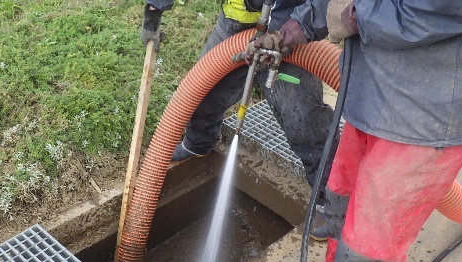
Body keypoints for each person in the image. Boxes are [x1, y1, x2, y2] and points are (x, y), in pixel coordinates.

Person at [284, 1, 462, 262]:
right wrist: (298, 24)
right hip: (373, 98)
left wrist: (356, 14)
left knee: (373, 236)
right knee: (342, 197)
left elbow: (428, 12)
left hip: (426, 119)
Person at [140, 0, 335, 240]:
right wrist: (154, 8)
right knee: (203, 93)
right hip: (234, 23)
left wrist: (297, 28)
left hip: (288, 28)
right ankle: (199, 142)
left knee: (304, 119)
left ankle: (329, 199)